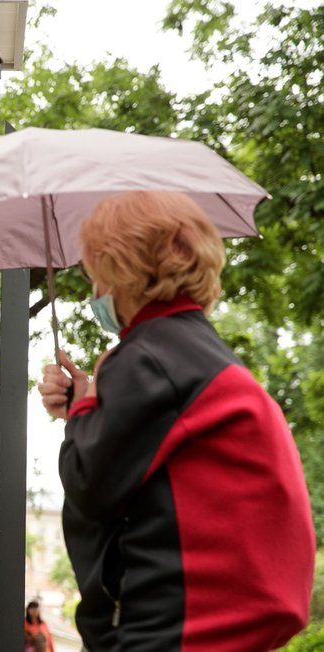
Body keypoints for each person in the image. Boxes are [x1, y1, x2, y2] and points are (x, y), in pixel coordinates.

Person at [37, 191, 315, 651]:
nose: (94, 288)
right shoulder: (191, 350)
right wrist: (84, 404)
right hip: (229, 620)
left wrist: (84, 410)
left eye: (94, 271)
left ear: (121, 268)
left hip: (179, 627)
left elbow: (90, 485)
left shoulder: (146, 359)